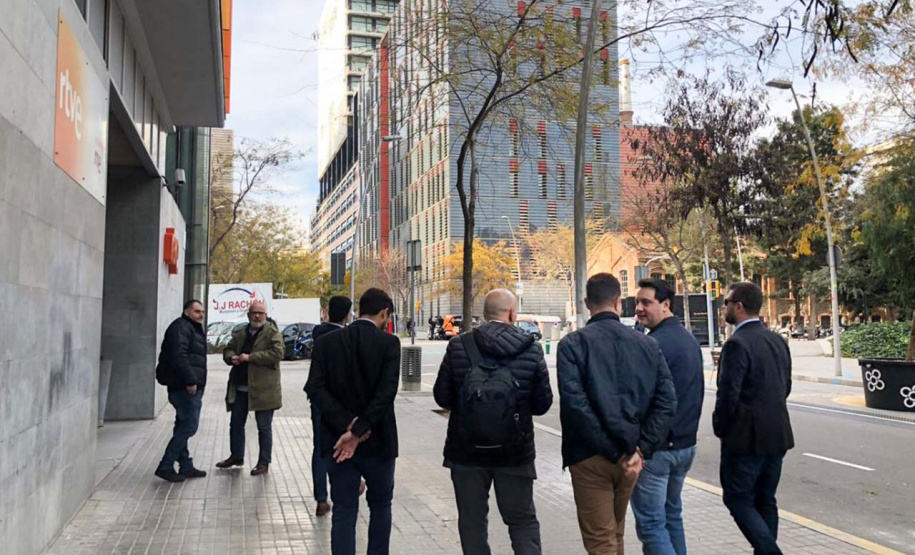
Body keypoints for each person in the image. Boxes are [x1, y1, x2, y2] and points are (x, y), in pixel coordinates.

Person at [557, 273, 677, 555]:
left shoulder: (572, 345)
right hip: (631, 456)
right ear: (618, 302)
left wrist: (611, 450)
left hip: (588, 456)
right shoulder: (647, 344)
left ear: (587, 303)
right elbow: (667, 401)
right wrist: (641, 450)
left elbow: (576, 406)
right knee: (615, 532)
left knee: (601, 540)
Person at [433, 289, 553, 555]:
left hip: (465, 451)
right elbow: (542, 405)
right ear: (512, 313)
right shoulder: (531, 349)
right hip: (515, 452)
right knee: (521, 520)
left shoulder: (458, 346)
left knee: (472, 521)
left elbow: (442, 396)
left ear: (485, 315)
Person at [305, 288, 401, 555]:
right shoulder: (389, 344)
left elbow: (314, 388)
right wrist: (358, 430)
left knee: (344, 511)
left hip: (337, 442)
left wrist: (347, 426)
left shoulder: (326, 344)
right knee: (381, 506)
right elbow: (386, 394)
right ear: (384, 313)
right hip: (378, 442)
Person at [713, 282, 794, 555]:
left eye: (726, 302)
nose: (723, 307)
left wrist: (720, 428)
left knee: (737, 498)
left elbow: (728, 396)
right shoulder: (777, 341)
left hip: (746, 440)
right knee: (765, 500)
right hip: (778, 434)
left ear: (739, 306)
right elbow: (786, 387)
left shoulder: (736, 344)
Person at [631, 279, 704, 555]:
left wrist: (639, 445)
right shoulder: (687, 338)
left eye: (646, 303)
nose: (639, 308)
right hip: (685, 446)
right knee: (672, 516)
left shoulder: (653, 344)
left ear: (665, 305)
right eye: (637, 302)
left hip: (657, 449)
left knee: (651, 524)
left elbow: (642, 399)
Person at [217, 301, 285, 476]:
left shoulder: (272, 333)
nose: (257, 316)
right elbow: (228, 349)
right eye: (254, 313)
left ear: (266, 315)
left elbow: (278, 353)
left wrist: (250, 357)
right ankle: (237, 456)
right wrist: (231, 357)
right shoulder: (242, 333)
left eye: (261, 313)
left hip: (264, 390)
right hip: (240, 388)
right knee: (236, 424)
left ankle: (263, 462)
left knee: (264, 427)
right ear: (248, 315)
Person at [154, 300, 209, 483]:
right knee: (189, 426)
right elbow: (179, 356)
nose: (200, 315)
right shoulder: (181, 328)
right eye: (196, 311)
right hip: (185, 387)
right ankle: (166, 465)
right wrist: (190, 380)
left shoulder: (190, 328)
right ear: (187, 312)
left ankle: (185, 465)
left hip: (187, 385)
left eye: (202, 311)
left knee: (182, 425)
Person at [309, 295, 353, 517]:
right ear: (347, 315)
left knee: (320, 447)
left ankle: (321, 498)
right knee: (345, 443)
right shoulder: (345, 337)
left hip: (319, 400)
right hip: (341, 401)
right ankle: (348, 487)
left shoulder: (318, 333)